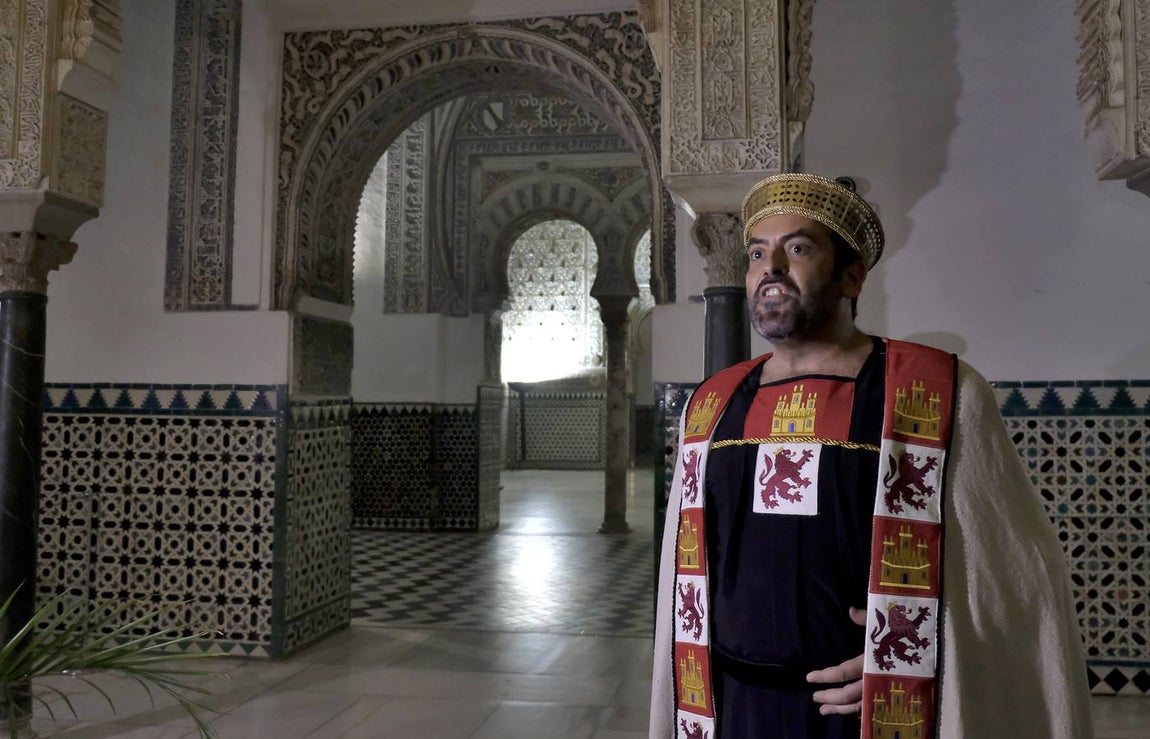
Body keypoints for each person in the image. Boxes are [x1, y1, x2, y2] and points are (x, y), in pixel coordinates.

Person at [649, 173, 1092, 738]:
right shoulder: (710, 406)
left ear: (852, 276)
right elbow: (688, 578)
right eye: (757, 253)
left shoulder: (939, 392)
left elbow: (1013, 580)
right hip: (735, 705)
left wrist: (909, 655)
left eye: (799, 248)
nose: (771, 269)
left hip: (867, 715)